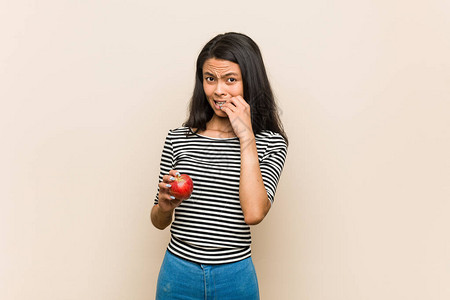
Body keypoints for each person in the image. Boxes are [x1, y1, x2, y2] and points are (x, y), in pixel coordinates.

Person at [151, 32, 288, 300]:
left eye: (231, 80)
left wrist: (246, 136)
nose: (218, 90)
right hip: (177, 273)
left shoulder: (271, 144)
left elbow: (254, 213)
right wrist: (164, 208)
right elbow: (158, 220)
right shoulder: (178, 138)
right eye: (210, 79)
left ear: (249, 82)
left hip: (234, 277)